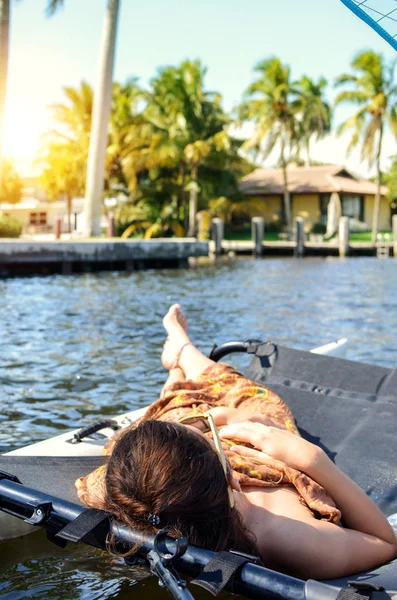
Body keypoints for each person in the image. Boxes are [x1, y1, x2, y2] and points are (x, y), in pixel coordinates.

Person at [76, 304, 397, 581]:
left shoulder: (124, 488)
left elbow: (132, 458)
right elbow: (385, 542)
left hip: (176, 461)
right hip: (253, 453)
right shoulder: (286, 538)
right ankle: (182, 352)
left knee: (179, 409)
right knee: (252, 399)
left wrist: (205, 422)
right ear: (233, 479)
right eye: (210, 438)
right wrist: (311, 459)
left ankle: (177, 365)